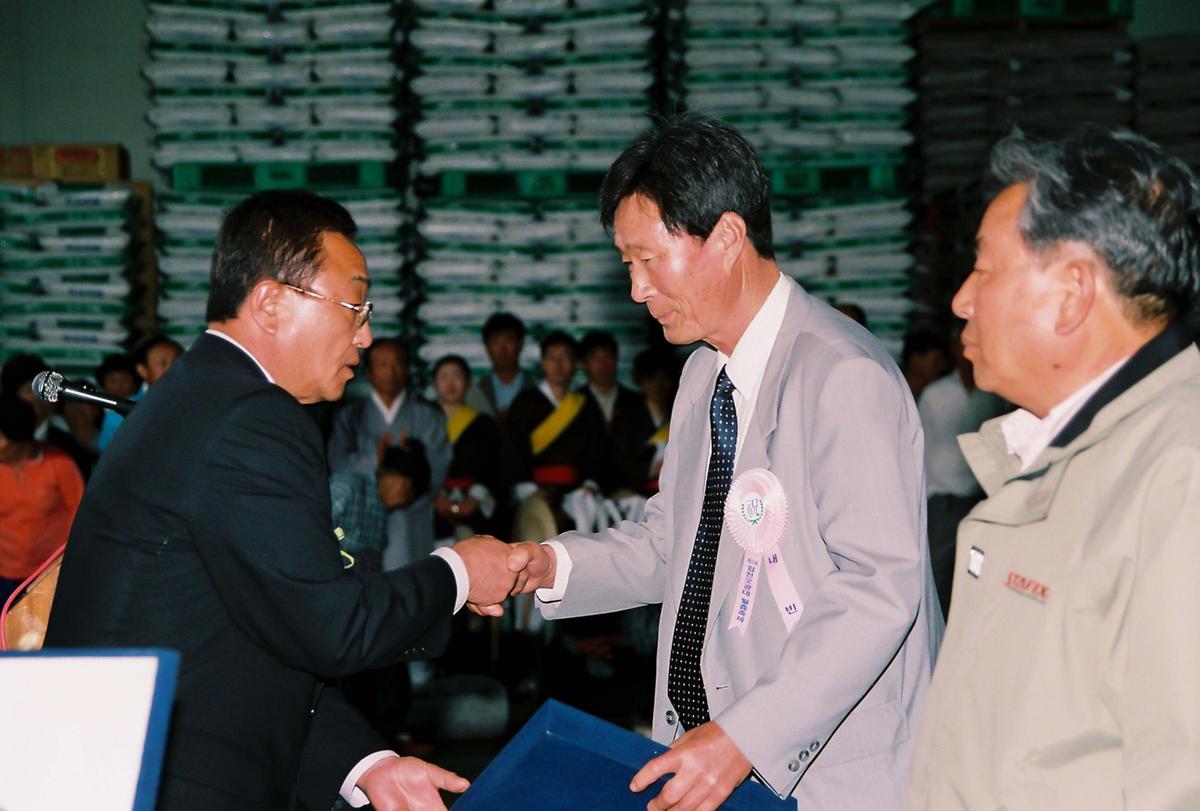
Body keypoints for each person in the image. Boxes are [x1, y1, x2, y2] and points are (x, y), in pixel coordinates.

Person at [501, 113, 943, 809]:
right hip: (709, 758)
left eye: (649, 260)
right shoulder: (705, 375)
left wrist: (744, 734)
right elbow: (670, 543)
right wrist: (547, 565)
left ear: (728, 237)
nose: (636, 290)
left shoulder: (841, 374)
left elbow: (879, 589)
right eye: (627, 266)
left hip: (821, 773)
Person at [43, 190, 519, 811]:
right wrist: (459, 571)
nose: (368, 335)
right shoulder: (251, 418)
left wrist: (365, 763)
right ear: (270, 302)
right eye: (355, 306)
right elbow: (329, 626)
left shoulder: (197, 396)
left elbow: (254, 630)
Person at [905, 128, 1200, 808]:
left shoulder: (1177, 475)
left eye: (983, 269)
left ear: (1072, 292)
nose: (961, 301)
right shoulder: (1060, 454)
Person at [328, 338, 451, 571]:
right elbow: (338, 464)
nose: (391, 372)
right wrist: (375, 460)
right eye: (383, 365)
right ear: (370, 372)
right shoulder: (351, 416)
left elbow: (438, 467)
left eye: (397, 364)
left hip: (412, 518)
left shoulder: (427, 416)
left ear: (406, 370)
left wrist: (407, 481)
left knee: (412, 584)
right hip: (363, 522)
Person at [916, 325, 1006, 618]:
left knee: (976, 584)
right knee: (939, 584)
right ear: (956, 351)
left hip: (979, 501)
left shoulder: (991, 393)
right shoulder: (936, 394)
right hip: (942, 503)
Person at [0, 396, 84, 602]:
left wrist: (68, 562)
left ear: (19, 439)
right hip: (5, 574)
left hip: (50, 573)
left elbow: (82, 513)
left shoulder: (58, 463)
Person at [430, 354, 502, 542]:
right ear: (434, 383)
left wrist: (474, 498)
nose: (450, 383)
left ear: (468, 382)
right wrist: (435, 497)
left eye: (457, 376)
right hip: (433, 503)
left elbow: (492, 465)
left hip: (473, 502)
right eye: (444, 377)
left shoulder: (483, 423)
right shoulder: (424, 420)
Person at [0, 353, 96, 479]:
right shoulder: (3, 441)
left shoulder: (69, 448)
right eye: (29, 390)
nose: (37, 398)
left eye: (44, 391)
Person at [96, 335, 183, 453]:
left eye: (177, 361)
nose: (172, 368)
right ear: (143, 370)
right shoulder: (119, 415)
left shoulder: (198, 406)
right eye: (163, 363)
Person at [464, 312, 536, 420]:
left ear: (520, 344)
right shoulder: (472, 394)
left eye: (509, 340)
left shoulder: (539, 389)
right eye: (495, 341)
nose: (502, 349)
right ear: (487, 347)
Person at [900, 329, 951, 402]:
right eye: (937, 360)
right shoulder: (897, 395)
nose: (943, 366)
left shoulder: (938, 397)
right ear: (915, 359)